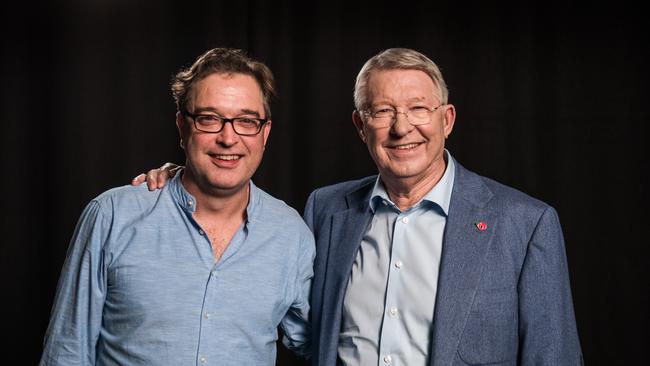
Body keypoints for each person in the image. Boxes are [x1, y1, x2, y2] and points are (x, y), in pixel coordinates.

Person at [136, 48, 583, 365]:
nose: (401, 127)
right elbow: (281, 310)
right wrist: (184, 177)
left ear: (446, 120)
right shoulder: (326, 211)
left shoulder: (525, 224)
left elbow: (554, 356)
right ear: (360, 125)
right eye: (382, 111)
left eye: (417, 109)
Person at [41, 48, 314, 365]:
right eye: (209, 119)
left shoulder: (291, 233)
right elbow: (67, 351)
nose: (228, 138)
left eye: (246, 121)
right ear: (183, 128)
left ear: (264, 133)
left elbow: (323, 341)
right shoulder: (112, 216)